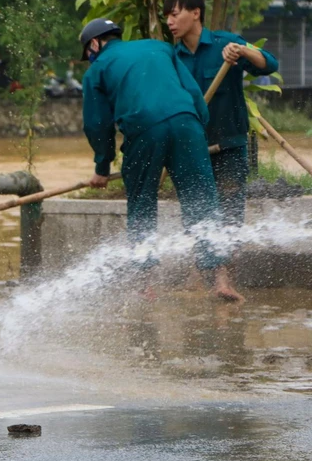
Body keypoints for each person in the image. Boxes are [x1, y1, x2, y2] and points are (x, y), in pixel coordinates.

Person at [79, 18, 244, 302]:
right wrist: (196, 130)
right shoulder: (160, 47)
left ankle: (146, 286)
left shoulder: (97, 70)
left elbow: (97, 125)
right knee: (202, 201)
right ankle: (221, 281)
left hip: (144, 130)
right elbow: (193, 92)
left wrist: (102, 168)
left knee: (141, 204)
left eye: (88, 53)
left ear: (94, 44)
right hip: (187, 124)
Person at [164, 0, 279, 227]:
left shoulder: (227, 43)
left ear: (196, 13)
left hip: (229, 147)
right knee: (197, 221)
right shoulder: (172, 58)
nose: (169, 22)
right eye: (167, 16)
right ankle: (203, 252)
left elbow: (269, 64)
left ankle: (229, 252)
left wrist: (243, 50)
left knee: (230, 219)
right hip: (192, 152)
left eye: (174, 15)